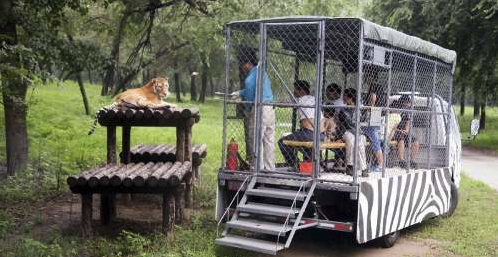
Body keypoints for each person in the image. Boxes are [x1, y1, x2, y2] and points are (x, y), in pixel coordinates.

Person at [231, 46, 275, 170]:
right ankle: (270, 167)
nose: (242, 67)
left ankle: (258, 168)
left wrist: (246, 107)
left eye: (242, 64)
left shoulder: (249, 78)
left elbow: (250, 98)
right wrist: (240, 92)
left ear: (248, 63)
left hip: (259, 108)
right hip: (270, 108)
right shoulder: (261, 72)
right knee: (268, 140)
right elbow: (256, 89)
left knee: (256, 139)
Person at [278, 80, 324, 169]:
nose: (293, 92)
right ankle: (314, 164)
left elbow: (285, 104)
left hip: (309, 133)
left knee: (282, 142)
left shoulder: (302, 99)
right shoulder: (314, 99)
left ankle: (295, 165)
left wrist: (274, 103)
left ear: (302, 91)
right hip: (321, 135)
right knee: (300, 138)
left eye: (295, 90)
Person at [334, 88, 368, 177]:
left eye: (344, 96)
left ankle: (364, 168)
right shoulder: (343, 110)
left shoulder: (359, 109)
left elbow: (362, 124)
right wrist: (339, 137)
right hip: (347, 131)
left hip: (358, 132)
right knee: (351, 141)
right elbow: (341, 125)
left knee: (360, 144)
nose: (343, 98)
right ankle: (350, 166)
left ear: (350, 98)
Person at [392, 95, 419, 168]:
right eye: (407, 103)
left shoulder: (407, 112)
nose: (408, 105)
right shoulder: (395, 110)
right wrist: (399, 130)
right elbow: (391, 126)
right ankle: (401, 161)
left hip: (402, 132)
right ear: (402, 103)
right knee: (401, 139)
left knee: (415, 142)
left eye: (409, 103)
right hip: (394, 132)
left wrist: (406, 130)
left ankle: (411, 161)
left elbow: (408, 123)